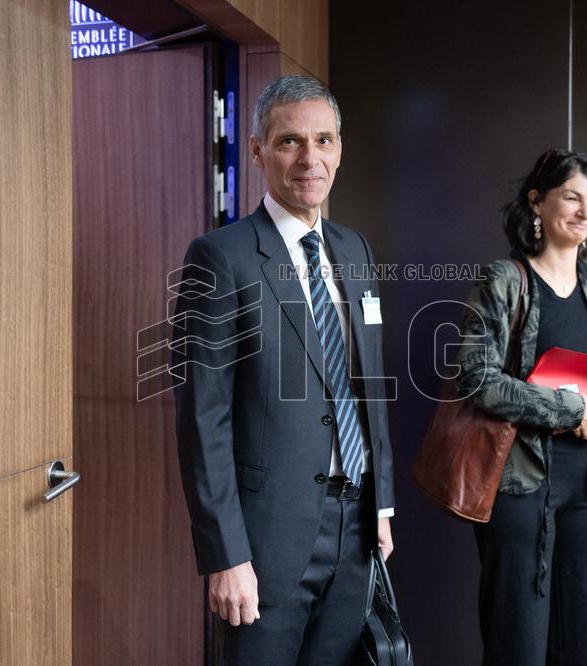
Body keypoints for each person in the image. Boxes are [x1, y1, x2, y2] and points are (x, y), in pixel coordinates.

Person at [171, 75, 395, 665]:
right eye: (290, 141)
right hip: (266, 540)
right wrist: (225, 554)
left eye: (323, 140)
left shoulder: (355, 250)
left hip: (356, 529)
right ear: (257, 150)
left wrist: (383, 505)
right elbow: (203, 419)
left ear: (340, 148)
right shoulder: (220, 256)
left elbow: (367, 388)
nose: (310, 158)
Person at [455, 149, 587, 665]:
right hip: (519, 485)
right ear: (537, 202)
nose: (585, 212)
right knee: (518, 640)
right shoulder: (503, 280)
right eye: (572, 198)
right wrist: (569, 409)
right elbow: (475, 378)